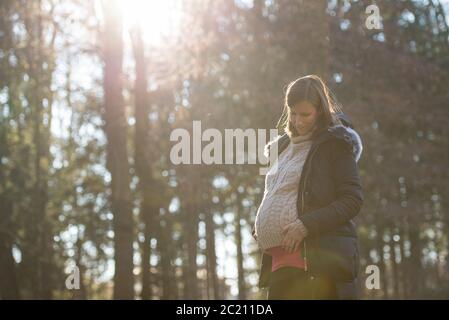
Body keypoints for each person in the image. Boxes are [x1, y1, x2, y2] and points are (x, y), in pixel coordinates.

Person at [252, 74, 364, 299]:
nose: (297, 120)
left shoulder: (336, 145)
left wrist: (305, 225)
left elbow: (352, 200)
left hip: (314, 266)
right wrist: (261, 226)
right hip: (279, 267)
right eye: (293, 113)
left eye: (305, 114)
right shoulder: (282, 149)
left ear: (320, 112)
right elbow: (276, 193)